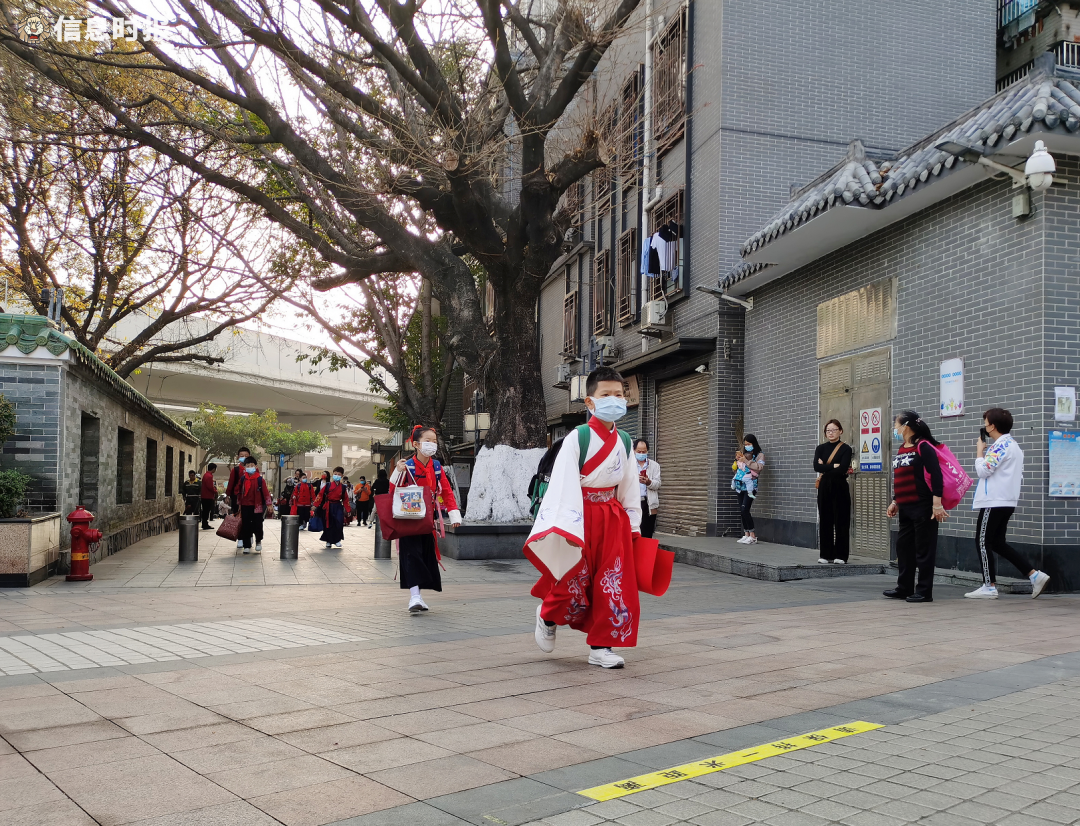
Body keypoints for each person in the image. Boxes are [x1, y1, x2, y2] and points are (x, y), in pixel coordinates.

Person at [525, 366, 642, 669]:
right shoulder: (579, 437)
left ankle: (601, 646)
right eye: (606, 395)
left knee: (611, 582)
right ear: (590, 402)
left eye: (619, 394)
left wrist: (633, 525)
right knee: (571, 580)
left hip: (612, 519)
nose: (614, 400)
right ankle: (547, 616)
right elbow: (563, 483)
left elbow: (629, 487)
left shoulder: (625, 441)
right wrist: (565, 525)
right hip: (579, 515)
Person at [966, 408, 1051, 600]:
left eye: (986, 422)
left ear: (993, 426)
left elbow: (984, 470)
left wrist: (979, 452)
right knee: (997, 543)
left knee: (982, 541)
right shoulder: (1013, 445)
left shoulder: (1000, 446)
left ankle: (989, 585)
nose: (985, 426)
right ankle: (1034, 575)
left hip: (994, 501)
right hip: (1006, 500)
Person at [390, 426, 462, 612]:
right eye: (428, 441)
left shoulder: (437, 467)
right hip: (408, 519)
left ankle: (418, 596)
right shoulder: (406, 466)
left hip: (427, 521)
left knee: (423, 556)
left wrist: (454, 513)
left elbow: (446, 491)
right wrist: (397, 472)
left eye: (434, 441)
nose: (432, 445)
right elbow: (392, 492)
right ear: (415, 444)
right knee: (411, 556)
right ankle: (414, 597)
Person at [885, 411, 945, 603]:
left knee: (923, 550)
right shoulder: (903, 448)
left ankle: (924, 591)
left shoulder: (924, 446)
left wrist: (937, 504)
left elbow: (937, 475)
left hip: (923, 506)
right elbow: (903, 477)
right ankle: (904, 587)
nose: (895, 429)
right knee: (903, 547)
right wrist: (895, 501)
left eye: (896, 425)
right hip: (906, 506)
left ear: (907, 426)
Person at [815, 420, 853, 564]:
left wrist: (825, 465)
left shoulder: (846, 449)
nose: (831, 433)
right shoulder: (820, 448)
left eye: (834, 430)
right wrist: (833, 466)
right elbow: (816, 467)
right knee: (825, 519)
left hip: (840, 486)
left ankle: (841, 555)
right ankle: (826, 554)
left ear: (841, 431)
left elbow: (842, 469)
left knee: (841, 520)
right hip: (824, 486)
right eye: (828, 430)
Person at [732, 434, 765, 544]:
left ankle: (753, 535)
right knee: (742, 510)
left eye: (749, 444)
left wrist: (746, 461)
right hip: (740, 485)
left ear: (753, 443)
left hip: (751, 486)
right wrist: (737, 462)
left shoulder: (760, 455)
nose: (747, 446)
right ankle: (746, 534)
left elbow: (759, 468)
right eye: (745, 444)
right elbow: (737, 469)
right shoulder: (743, 454)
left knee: (745, 509)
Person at [237, 456, 273, 554]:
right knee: (246, 526)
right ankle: (247, 545)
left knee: (258, 525)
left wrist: (269, 505)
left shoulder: (260, 480)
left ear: (256, 466)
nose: (249, 467)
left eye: (251, 465)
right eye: (247, 466)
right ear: (245, 467)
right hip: (245, 506)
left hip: (257, 507)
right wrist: (239, 505)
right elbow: (239, 492)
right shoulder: (243, 479)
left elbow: (266, 493)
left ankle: (258, 542)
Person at [314, 466, 352, 549]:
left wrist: (348, 510)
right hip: (328, 506)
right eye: (335, 474)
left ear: (342, 476)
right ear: (332, 475)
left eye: (339, 474)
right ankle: (328, 541)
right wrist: (315, 505)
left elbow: (346, 499)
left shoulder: (343, 487)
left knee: (339, 523)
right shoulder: (328, 485)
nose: (337, 475)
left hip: (338, 506)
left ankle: (337, 540)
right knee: (329, 524)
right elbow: (320, 495)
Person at [225, 447, 251, 551]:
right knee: (238, 517)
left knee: (248, 518)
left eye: (246, 456)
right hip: (237, 497)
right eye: (241, 456)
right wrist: (227, 495)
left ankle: (248, 537)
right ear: (238, 457)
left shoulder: (253, 468)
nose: (244, 458)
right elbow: (231, 484)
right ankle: (240, 538)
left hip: (250, 497)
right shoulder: (235, 470)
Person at [634, 439, 661, 539]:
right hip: (633, 503)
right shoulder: (629, 465)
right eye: (639, 451)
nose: (641, 454)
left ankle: (645, 554)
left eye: (644, 451)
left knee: (647, 534)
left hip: (649, 504)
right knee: (633, 532)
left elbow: (658, 484)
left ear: (647, 451)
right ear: (634, 451)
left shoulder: (654, 466)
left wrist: (648, 482)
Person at [200, 463, 218, 529]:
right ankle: (205, 524)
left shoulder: (206, 475)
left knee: (205, 510)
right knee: (206, 510)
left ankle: (204, 523)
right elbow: (210, 486)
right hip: (208, 496)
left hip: (205, 496)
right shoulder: (209, 476)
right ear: (213, 469)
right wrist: (215, 491)